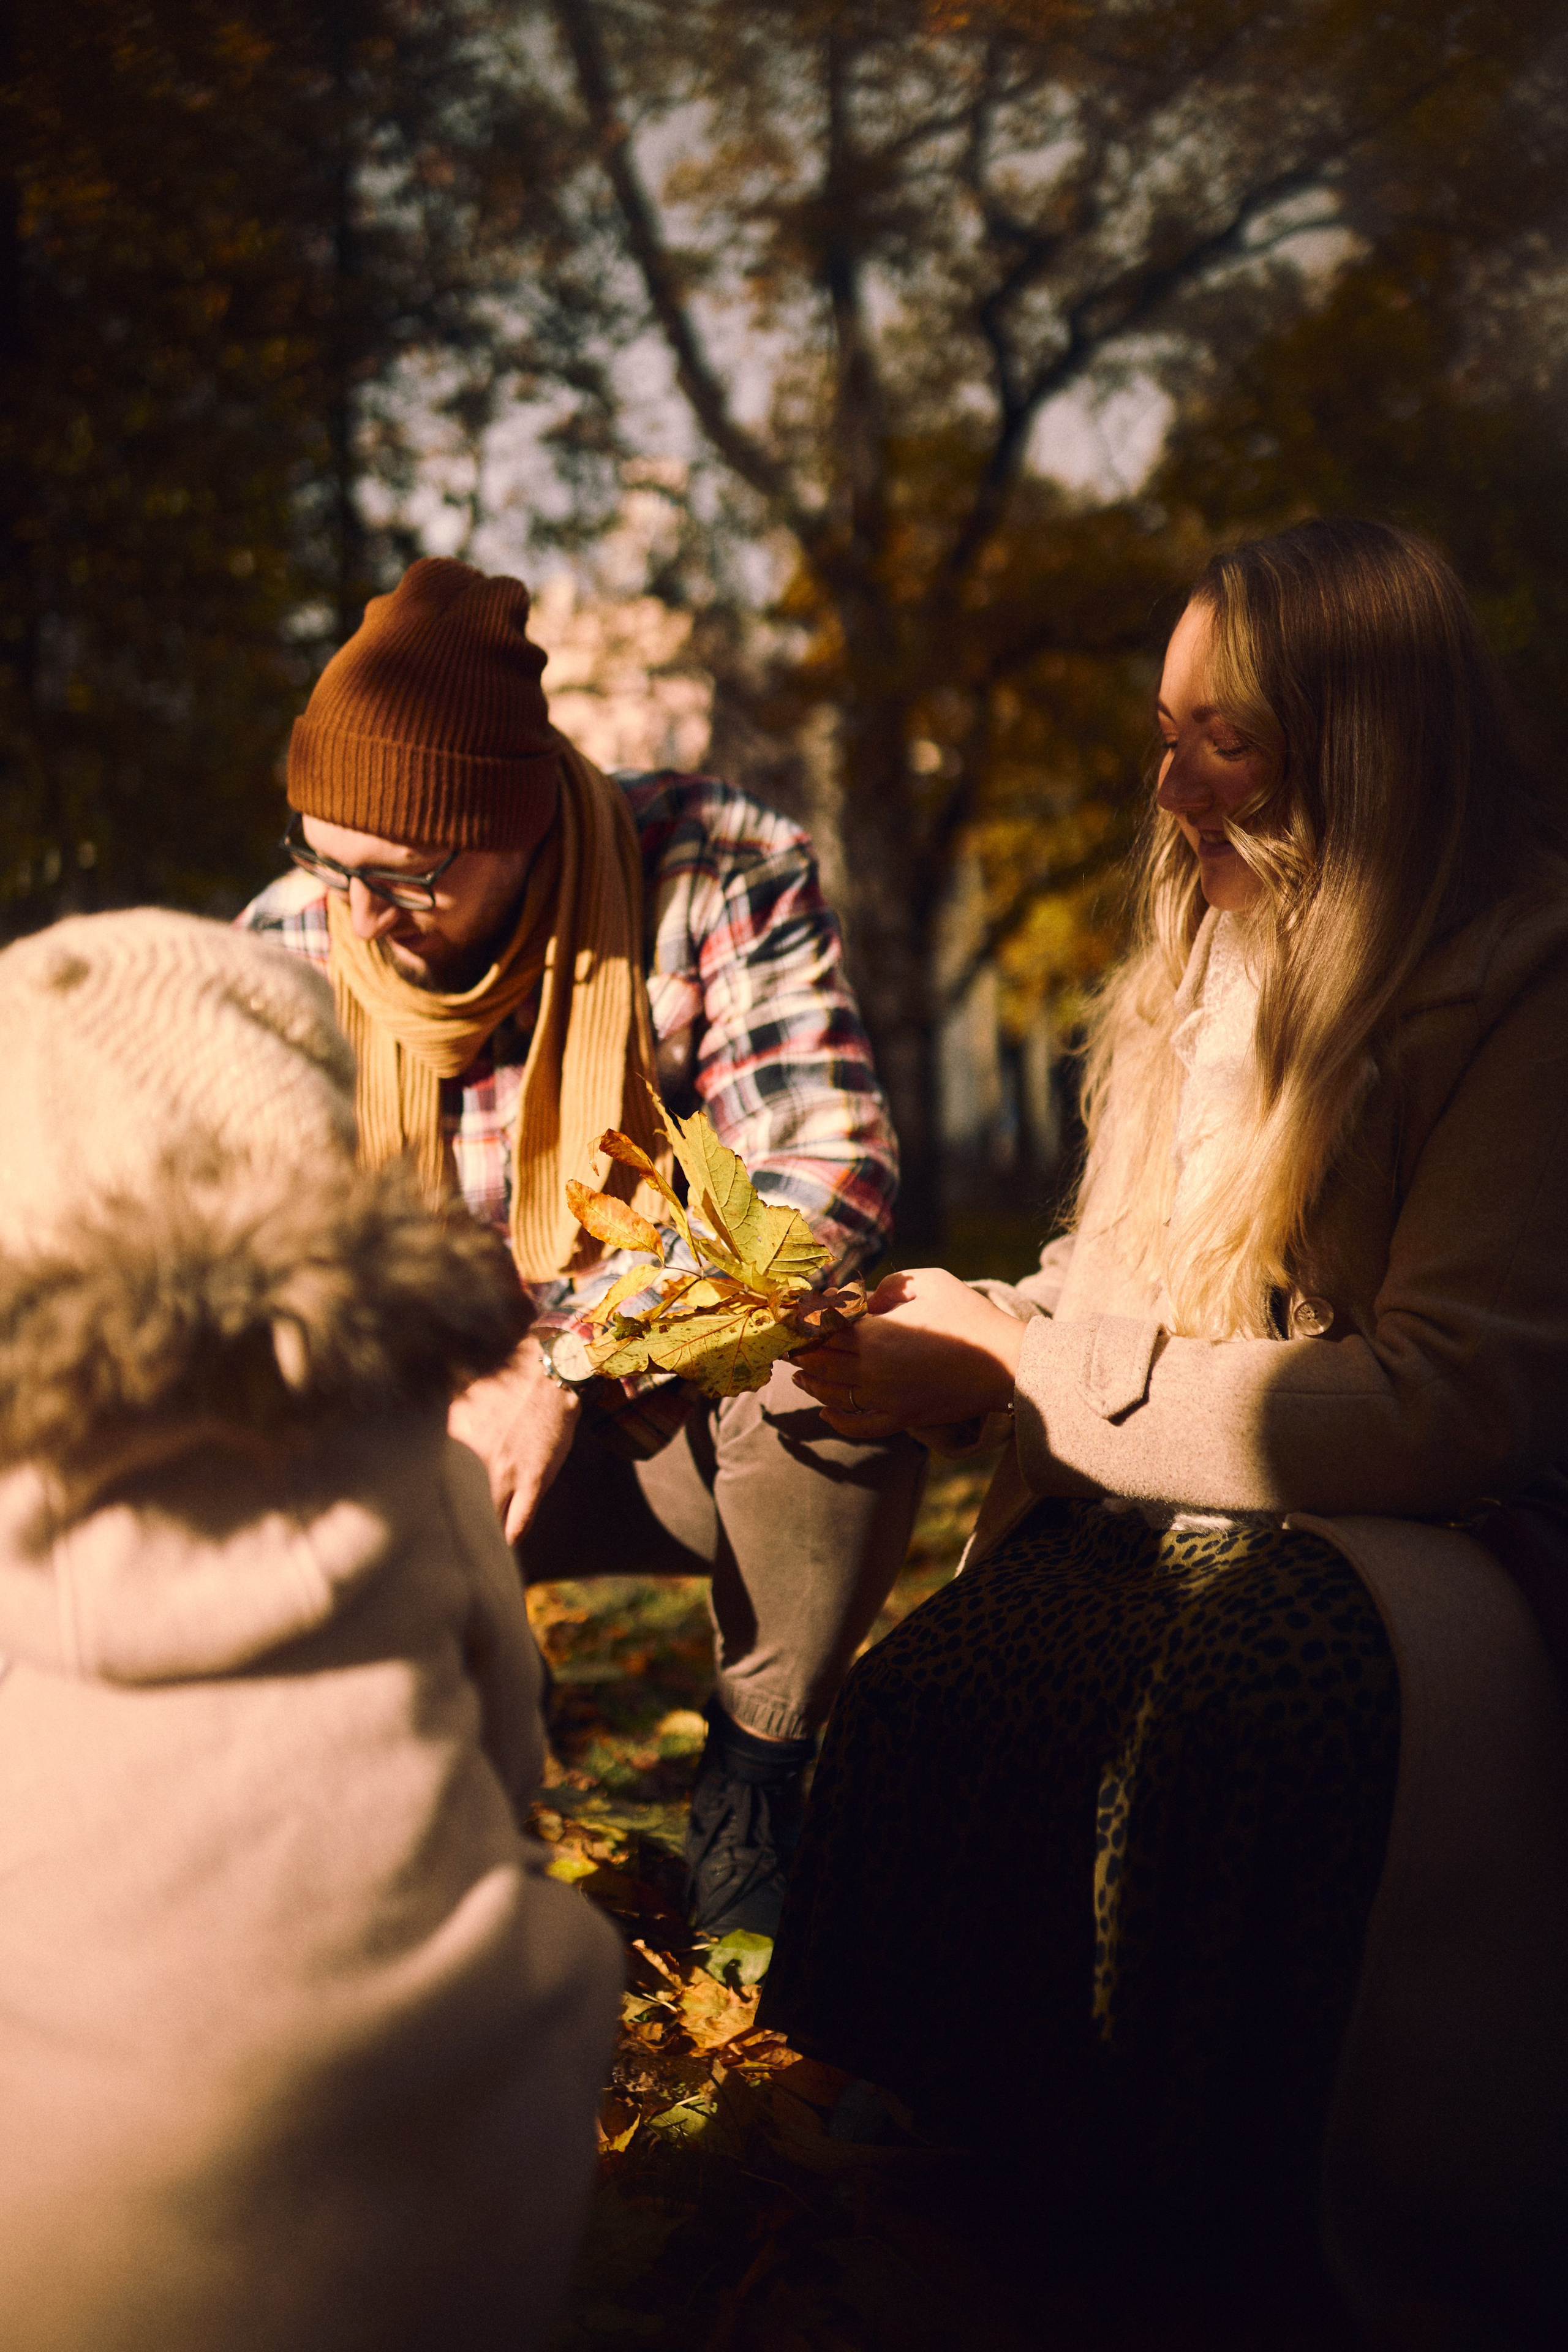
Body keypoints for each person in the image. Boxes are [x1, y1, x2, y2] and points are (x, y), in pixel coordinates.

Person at [776, 520, 1568, 2339]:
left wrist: (1028, 1371)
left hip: (1453, 1550)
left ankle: (1210, 2218)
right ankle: (986, 2155)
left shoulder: (1527, 974)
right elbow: (1119, 1282)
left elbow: (1447, 1404)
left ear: (1363, 743)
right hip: (1194, 1493)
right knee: (937, 1686)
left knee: (1229, 1699)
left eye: (1227, 737)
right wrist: (984, 1328)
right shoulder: (1196, 965)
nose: (1170, 779)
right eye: (1166, 726)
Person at [239, 556, 923, 1937]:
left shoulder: (716, 865)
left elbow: (824, 1171)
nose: (357, 918)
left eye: (409, 876)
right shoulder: (285, 940)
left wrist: (564, 1364)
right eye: (326, 862)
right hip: (413, 1439)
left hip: (668, 1421)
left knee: (837, 1357)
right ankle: (449, 1794)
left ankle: (760, 1780)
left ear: (522, 823)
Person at [0, 909, 623, 2352]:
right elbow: (509, 1743)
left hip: (55, 2243)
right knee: (531, 1932)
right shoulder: (409, 1442)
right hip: (435, 2148)